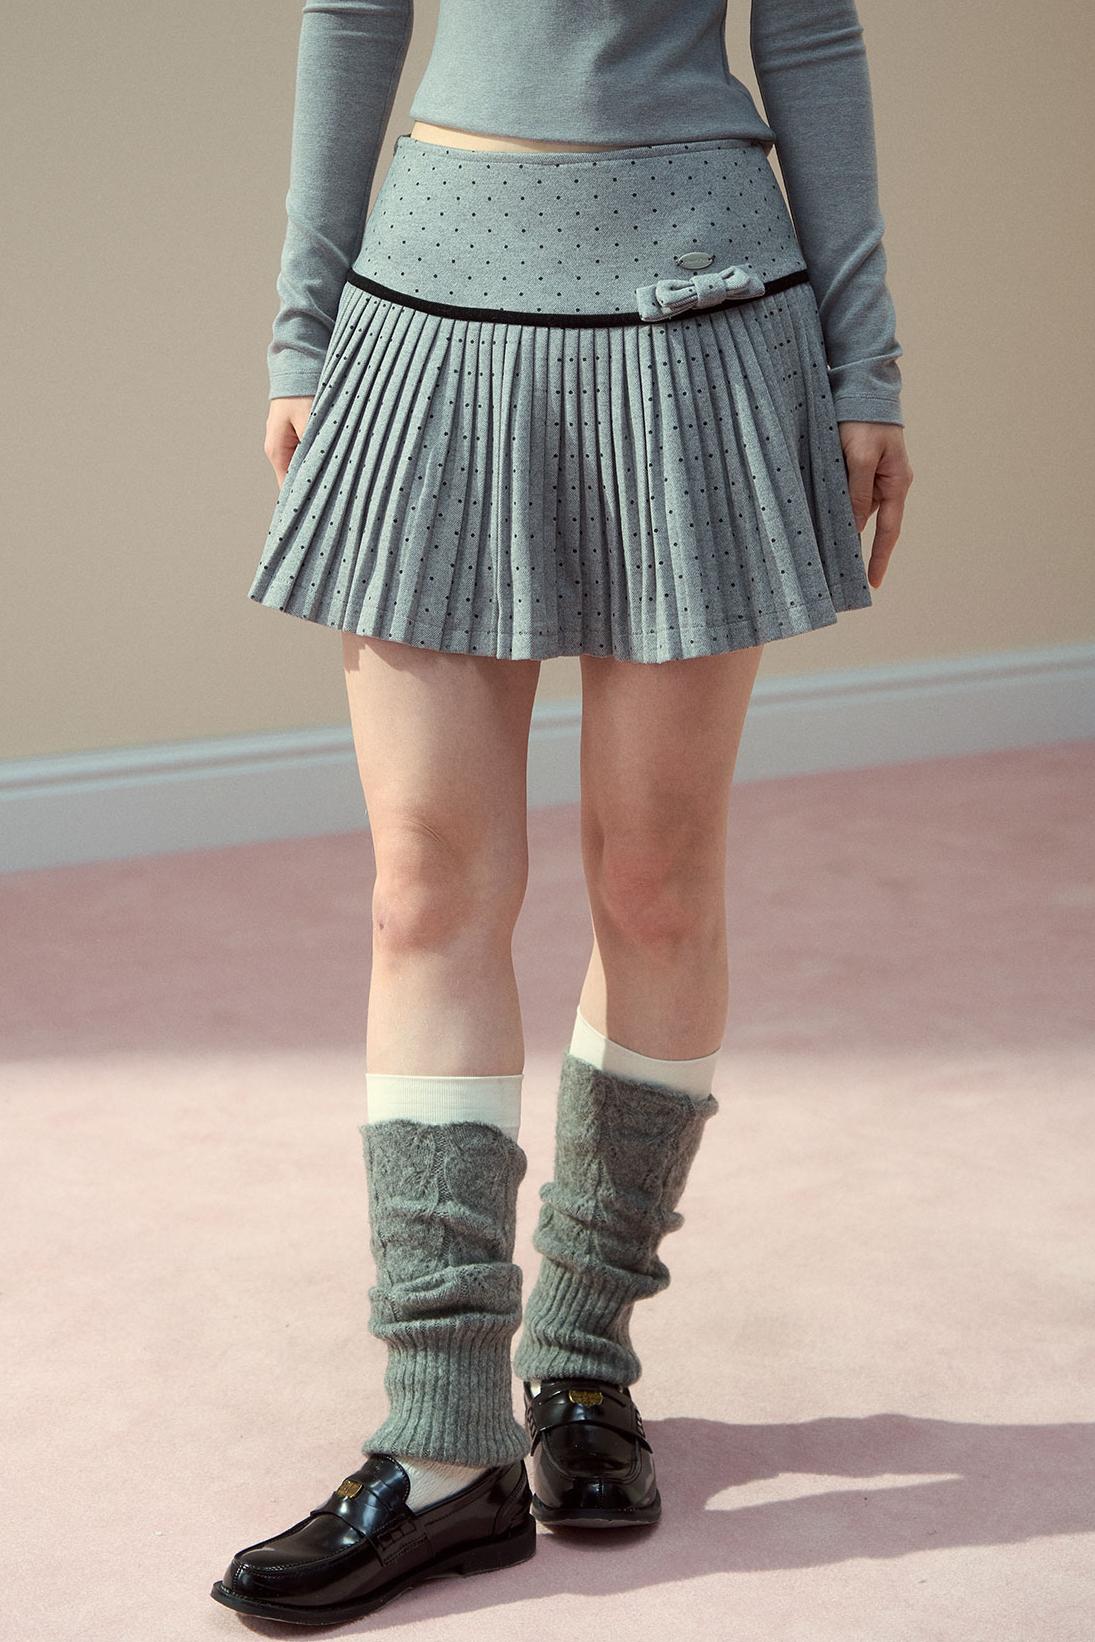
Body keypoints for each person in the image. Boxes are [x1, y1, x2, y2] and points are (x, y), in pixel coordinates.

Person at [211, 0, 914, 1623]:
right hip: (430, 307)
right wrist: (303, 330)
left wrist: (865, 358)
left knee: (655, 879)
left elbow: (811, 33)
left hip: (701, 314)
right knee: (423, 887)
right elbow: (351, 11)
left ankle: (584, 1354)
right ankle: (443, 1436)